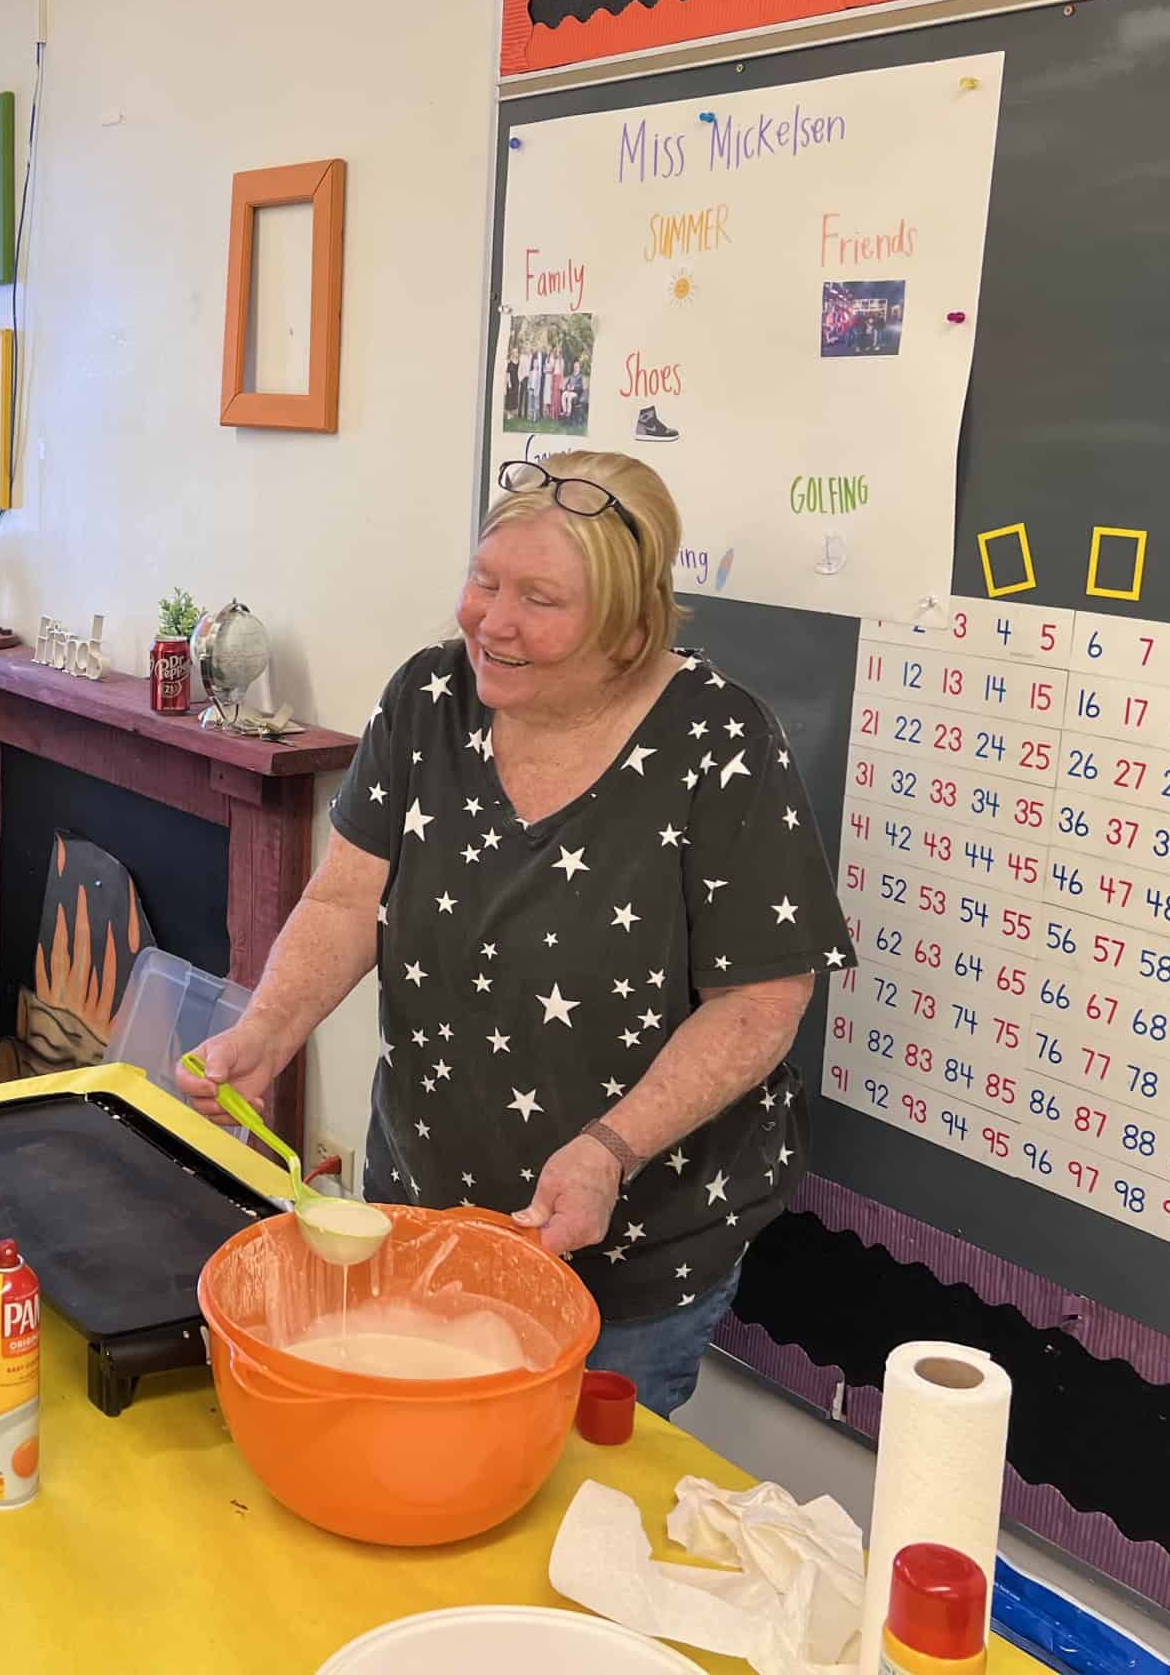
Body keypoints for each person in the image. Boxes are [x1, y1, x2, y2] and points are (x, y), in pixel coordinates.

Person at [181, 451, 853, 1416]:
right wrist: (267, 1032)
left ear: (629, 627)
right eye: (485, 580)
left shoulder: (719, 743)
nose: (492, 621)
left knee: (563, 1525)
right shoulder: (429, 699)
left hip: (623, 1256)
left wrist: (608, 1150)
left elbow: (761, 1004)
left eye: (539, 598)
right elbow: (343, 902)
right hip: (421, 1213)